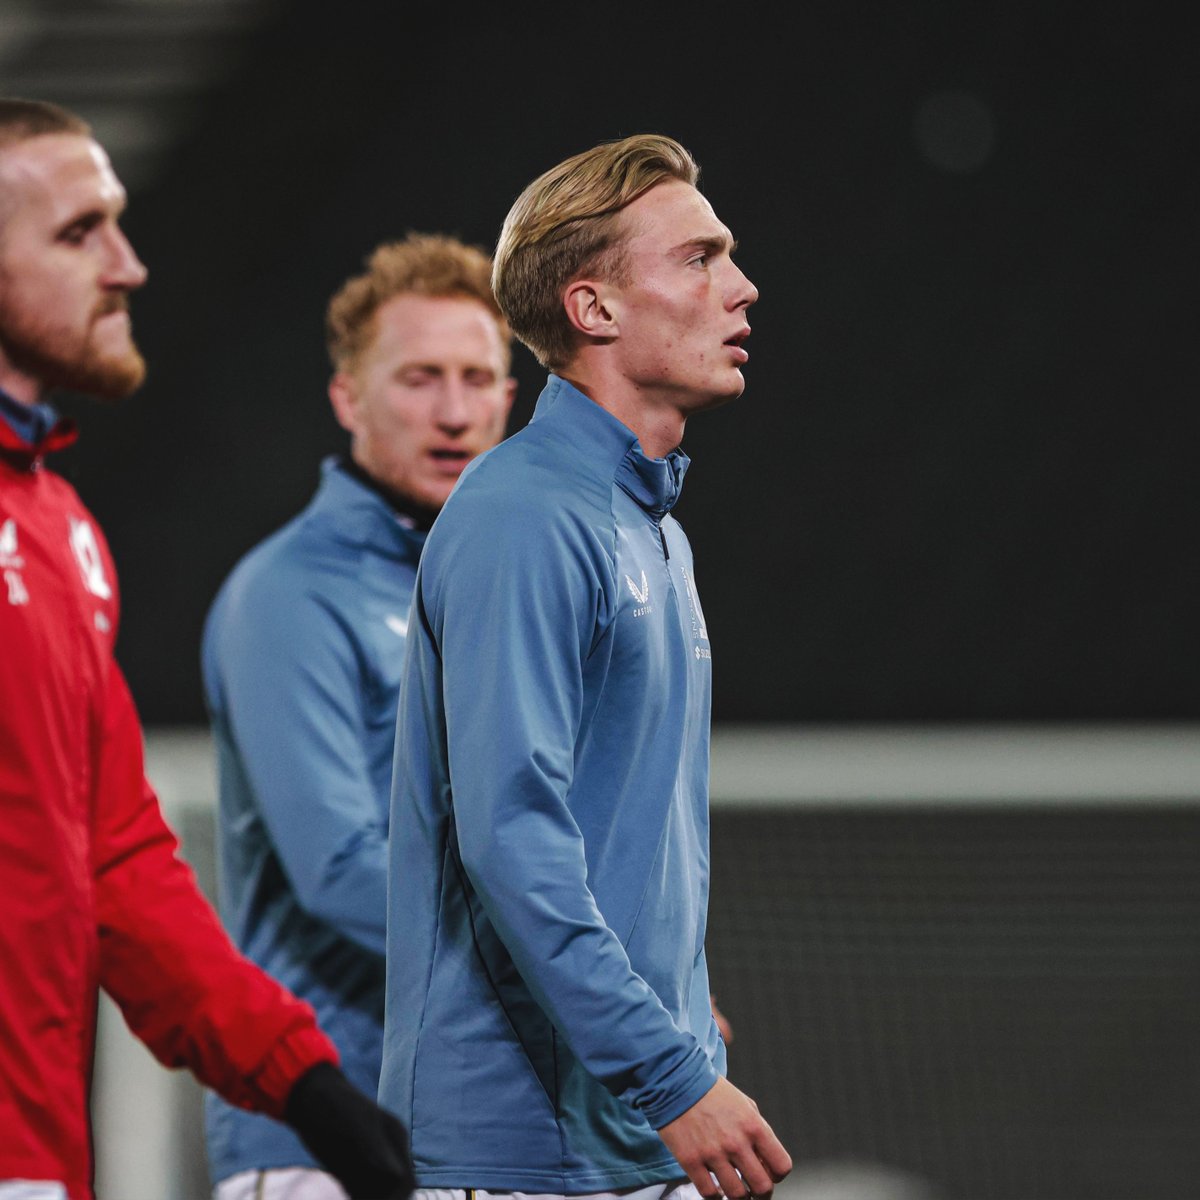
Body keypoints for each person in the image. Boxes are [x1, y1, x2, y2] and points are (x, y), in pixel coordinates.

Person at [0, 97, 415, 1200]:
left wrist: (308, 1087)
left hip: (37, 1157)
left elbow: (119, 863)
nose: (129, 265)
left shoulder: (62, 534)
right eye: (79, 231)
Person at [378, 133, 793, 1200]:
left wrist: (670, 1018)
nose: (740, 288)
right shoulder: (523, 515)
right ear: (594, 309)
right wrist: (667, 1072)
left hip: (621, 1128)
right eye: (699, 259)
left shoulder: (646, 526)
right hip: (519, 1150)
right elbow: (511, 834)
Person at [201, 233, 516, 1200]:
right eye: (420, 378)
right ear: (348, 399)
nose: (455, 412)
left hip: (489, 1123)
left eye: (479, 377)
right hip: (322, 1143)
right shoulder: (287, 596)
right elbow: (338, 868)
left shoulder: (509, 588)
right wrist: (580, 967)